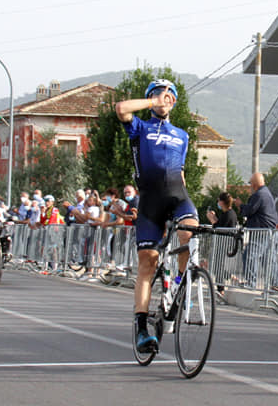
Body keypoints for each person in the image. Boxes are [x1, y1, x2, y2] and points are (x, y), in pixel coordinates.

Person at [115, 78, 199, 354]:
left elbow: (182, 172)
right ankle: (141, 328)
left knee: (190, 230)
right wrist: (153, 101)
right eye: (159, 95)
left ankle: (182, 285)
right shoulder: (140, 127)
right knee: (147, 264)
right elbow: (122, 108)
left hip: (177, 194)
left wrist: (184, 197)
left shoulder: (182, 135)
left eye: (169, 96)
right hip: (150, 200)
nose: (165, 99)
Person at [234, 172, 278, 287]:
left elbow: (249, 210)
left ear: (254, 185)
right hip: (270, 231)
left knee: (250, 255)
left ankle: (251, 282)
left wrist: (240, 205)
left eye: (250, 184)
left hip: (261, 232)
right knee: (269, 259)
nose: (250, 186)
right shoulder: (267, 193)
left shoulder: (259, 195)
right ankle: (275, 284)